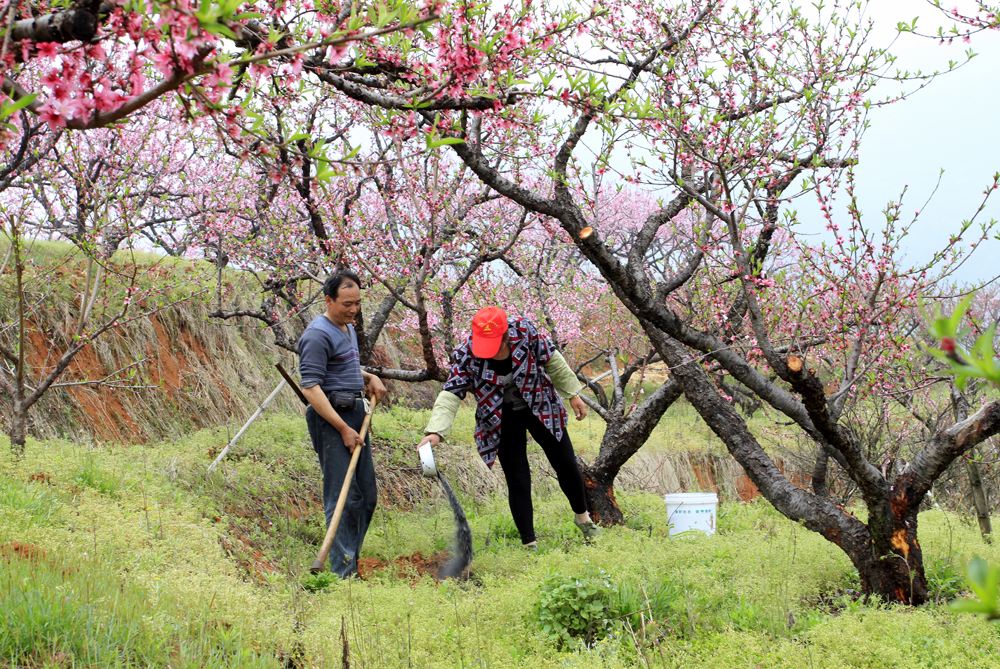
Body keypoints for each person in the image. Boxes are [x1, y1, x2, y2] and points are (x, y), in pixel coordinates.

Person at [418, 306, 599, 549]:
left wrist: (573, 394)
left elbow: (552, 360)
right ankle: (529, 542)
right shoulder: (466, 353)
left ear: (506, 337)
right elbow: (451, 392)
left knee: (565, 462)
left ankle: (583, 518)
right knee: (518, 477)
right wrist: (435, 431)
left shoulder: (525, 332)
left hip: (539, 402)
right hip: (500, 415)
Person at [298, 270, 386, 578]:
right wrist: (342, 428)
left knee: (367, 495)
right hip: (332, 419)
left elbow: (344, 365)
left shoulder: (346, 328)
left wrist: (369, 377)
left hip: (354, 413)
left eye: (358, 304)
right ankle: (342, 572)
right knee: (343, 496)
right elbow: (310, 387)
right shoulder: (316, 335)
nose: (353, 310)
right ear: (329, 300)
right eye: (347, 304)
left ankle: (351, 558)